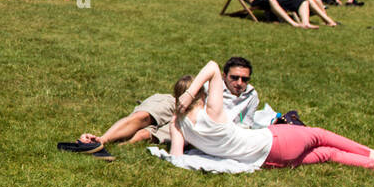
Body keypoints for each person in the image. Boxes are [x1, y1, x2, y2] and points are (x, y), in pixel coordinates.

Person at [171, 60, 374, 171]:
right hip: (273, 141)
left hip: (267, 162)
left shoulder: (178, 124)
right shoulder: (212, 111)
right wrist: (192, 90)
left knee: (328, 154)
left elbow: (177, 158)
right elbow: (213, 66)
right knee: (320, 135)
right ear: (200, 94)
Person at [75, 57, 267, 149]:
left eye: (245, 79)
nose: (240, 83)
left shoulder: (251, 96)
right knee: (143, 117)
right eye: (235, 77)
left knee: (145, 135)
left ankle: (116, 150)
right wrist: (189, 95)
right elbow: (188, 86)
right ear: (225, 76)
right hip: (177, 101)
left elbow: (245, 126)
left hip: (195, 123)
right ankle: (102, 139)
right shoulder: (213, 83)